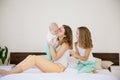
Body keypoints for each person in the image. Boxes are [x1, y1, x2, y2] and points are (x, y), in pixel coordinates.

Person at [0, 25, 73, 76]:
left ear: (65, 35)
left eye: (61, 29)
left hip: (59, 68)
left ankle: (10, 72)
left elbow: (54, 57)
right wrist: (52, 41)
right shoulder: (57, 42)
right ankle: (14, 69)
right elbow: (51, 55)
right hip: (53, 65)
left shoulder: (65, 44)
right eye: (59, 28)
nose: (59, 29)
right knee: (31, 56)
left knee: (34, 58)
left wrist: (51, 44)